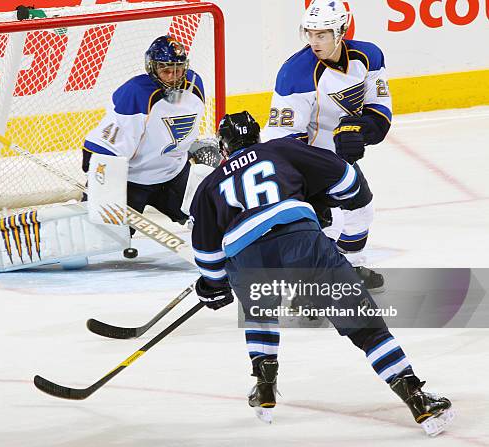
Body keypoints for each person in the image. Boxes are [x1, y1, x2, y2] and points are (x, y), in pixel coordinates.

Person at [189, 111, 453, 435]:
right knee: (365, 326)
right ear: (256, 137)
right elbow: (345, 176)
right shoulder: (279, 149)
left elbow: (206, 252)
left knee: (260, 311)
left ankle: (264, 387)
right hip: (300, 240)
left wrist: (214, 284)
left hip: (246, 256)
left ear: (224, 147)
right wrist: (336, 198)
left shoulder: (210, 184)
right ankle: (417, 397)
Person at [262, 0, 392, 290]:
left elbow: (380, 112)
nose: (314, 41)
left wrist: (358, 131)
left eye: (322, 34)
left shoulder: (369, 57)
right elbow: (283, 139)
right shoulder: (294, 74)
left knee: (361, 210)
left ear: (341, 31)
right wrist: (306, 179)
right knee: (327, 223)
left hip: (337, 160)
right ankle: (309, 289)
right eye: (309, 33)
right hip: (301, 162)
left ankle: (351, 267)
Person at [83, 35, 212, 234]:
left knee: (212, 215)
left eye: (178, 70)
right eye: (166, 70)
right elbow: (106, 145)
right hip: (132, 180)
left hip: (174, 174)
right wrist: (100, 178)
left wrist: (194, 148)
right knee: (103, 235)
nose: (173, 76)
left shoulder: (195, 85)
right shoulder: (136, 93)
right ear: (152, 68)